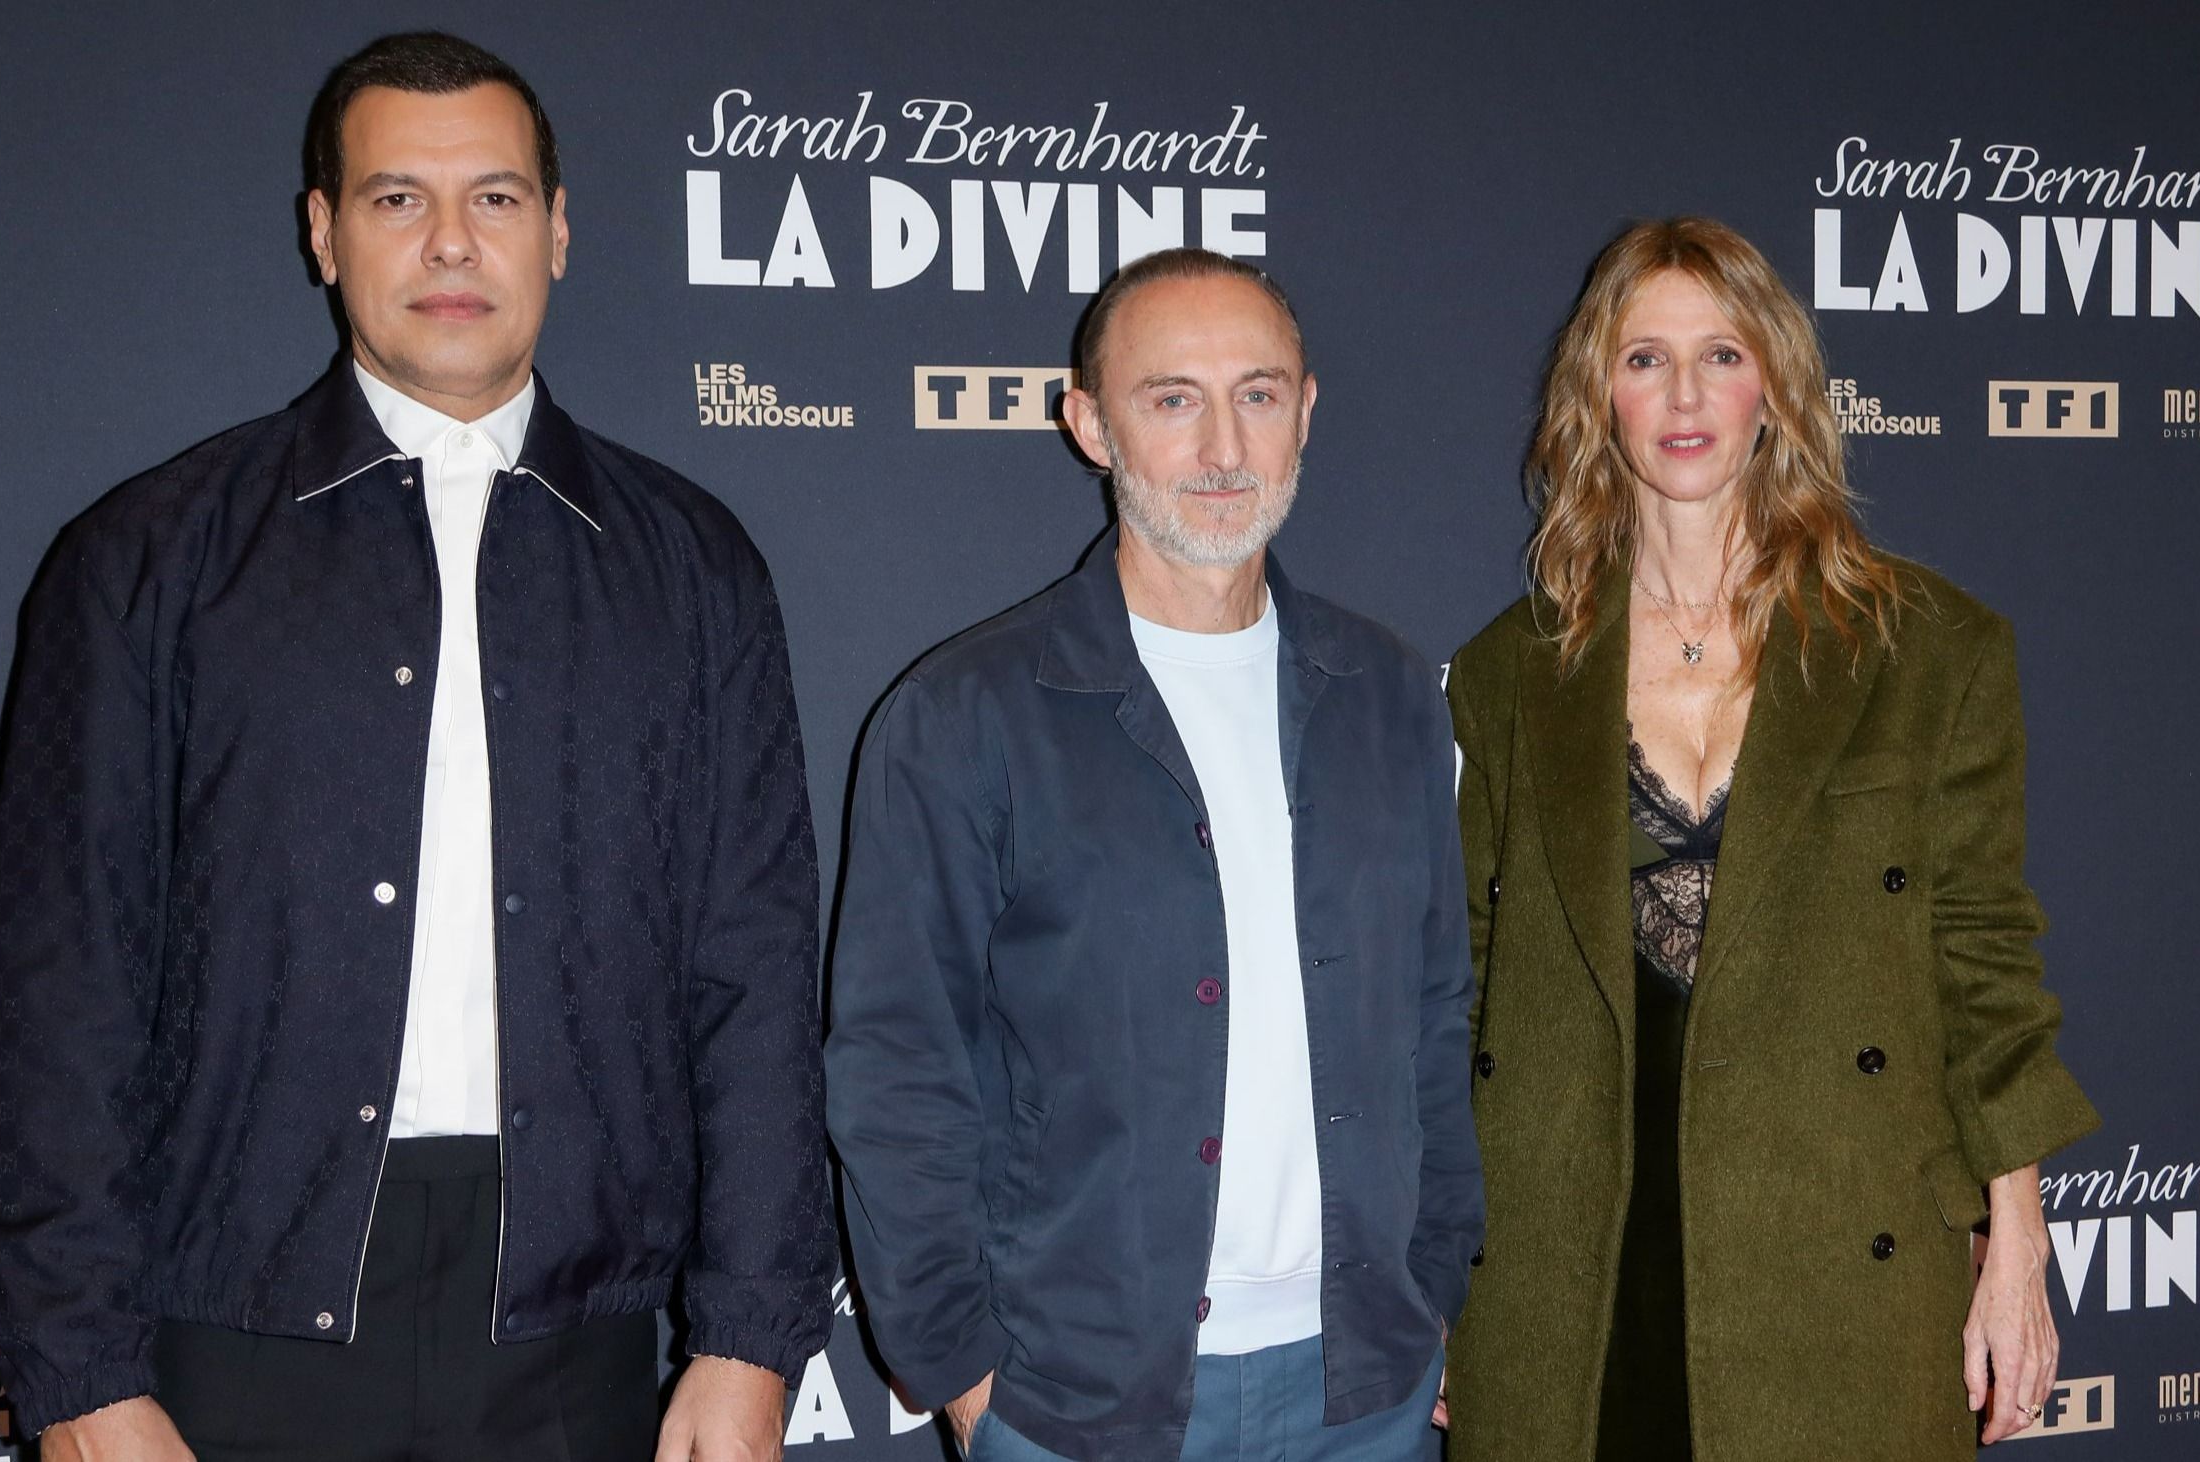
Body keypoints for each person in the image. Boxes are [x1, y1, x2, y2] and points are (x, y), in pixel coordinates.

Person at [0, 32, 832, 1462]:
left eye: (494, 197)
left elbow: (751, 972)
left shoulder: (691, 566)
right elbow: (63, 985)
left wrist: (751, 1336)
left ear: (557, 230)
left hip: (573, 1331)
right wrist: (73, 1372)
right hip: (226, 1327)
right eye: (394, 199)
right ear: (324, 233)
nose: (449, 242)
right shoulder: (149, 556)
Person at [1444, 217, 2099, 1459]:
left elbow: (1981, 959)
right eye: (1643, 359)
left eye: (1721, 355)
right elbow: (1465, 990)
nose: (1684, 396)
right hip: (1568, 1263)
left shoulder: (1929, 648)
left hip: (1839, 1241)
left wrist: (2015, 1241)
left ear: (1776, 387)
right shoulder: (1508, 672)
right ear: (1597, 396)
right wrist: (1437, 1270)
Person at [825, 247, 1482, 1462]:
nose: (1222, 446)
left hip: (1365, 1391)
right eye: (1172, 398)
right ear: (1090, 423)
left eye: (1257, 394)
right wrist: (957, 1365)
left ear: (1304, 412)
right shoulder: (965, 711)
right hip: (1076, 1401)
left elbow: (1435, 1014)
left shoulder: (1388, 692)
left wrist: (1435, 1279)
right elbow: (897, 1060)